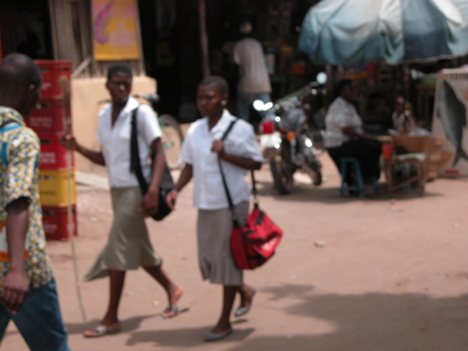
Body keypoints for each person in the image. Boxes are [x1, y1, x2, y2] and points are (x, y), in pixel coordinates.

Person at [63, 63, 183, 337]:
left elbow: (159, 152)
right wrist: (78, 148)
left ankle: (111, 317)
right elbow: (105, 158)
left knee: (117, 248)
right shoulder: (104, 115)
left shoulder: (141, 114)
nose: (121, 88)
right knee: (138, 248)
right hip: (116, 190)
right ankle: (172, 289)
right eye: (117, 83)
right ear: (107, 84)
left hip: (136, 191)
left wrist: (153, 191)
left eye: (126, 84)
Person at [167, 76, 261, 342]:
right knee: (209, 261)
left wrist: (226, 153)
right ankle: (244, 290)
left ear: (223, 98)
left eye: (209, 97)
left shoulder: (239, 128)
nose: (203, 103)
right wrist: (176, 190)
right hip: (206, 203)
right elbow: (189, 165)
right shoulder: (196, 130)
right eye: (200, 98)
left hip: (230, 205)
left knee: (227, 262)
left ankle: (224, 321)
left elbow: (256, 163)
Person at [0, 53, 70, 350]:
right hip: (23, 273)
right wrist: (17, 270)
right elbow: (18, 201)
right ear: (30, 90)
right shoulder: (21, 139)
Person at [324, 80, 381, 183]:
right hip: (339, 145)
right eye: (351, 89)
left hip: (347, 142)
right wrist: (364, 137)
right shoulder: (339, 106)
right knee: (372, 147)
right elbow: (346, 130)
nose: (355, 91)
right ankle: (365, 178)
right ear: (343, 91)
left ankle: (366, 177)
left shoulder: (349, 105)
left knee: (376, 145)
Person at [233, 21, 272, 122]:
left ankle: (243, 128)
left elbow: (236, 65)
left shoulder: (239, 45)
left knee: (243, 110)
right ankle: (272, 129)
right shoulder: (257, 44)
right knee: (267, 113)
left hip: (247, 83)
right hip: (263, 83)